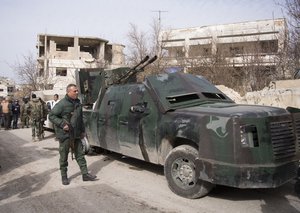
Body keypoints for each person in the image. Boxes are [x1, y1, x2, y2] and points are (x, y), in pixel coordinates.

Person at [49, 84, 97, 185]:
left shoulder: (78, 103)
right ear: (68, 92)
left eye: (77, 91)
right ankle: (64, 176)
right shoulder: (62, 104)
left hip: (76, 134)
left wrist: (83, 131)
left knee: (80, 154)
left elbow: (80, 119)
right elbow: (51, 116)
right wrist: (62, 124)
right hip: (65, 135)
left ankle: (85, 174)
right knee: (64, 156)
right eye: (74, 91)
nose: (77, 92)